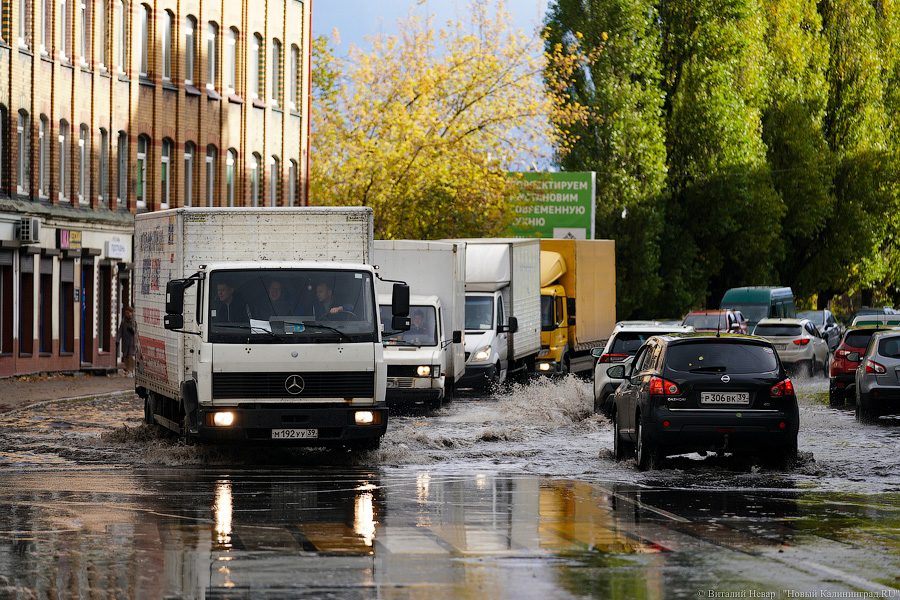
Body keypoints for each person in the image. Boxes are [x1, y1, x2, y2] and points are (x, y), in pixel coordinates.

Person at [116, 306, 136, 377]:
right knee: (125, 356)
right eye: (126, 313)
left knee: (131, 356)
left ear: (131, 313)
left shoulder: (134, 320)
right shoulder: (124, 320)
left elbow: (136, 331)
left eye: (128, 313)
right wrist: (117, 340)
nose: (127, 314)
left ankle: (132, 370)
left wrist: (132, 330)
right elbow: (120, 330)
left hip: (132, 342)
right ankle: (128, 370)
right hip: (125, 341)